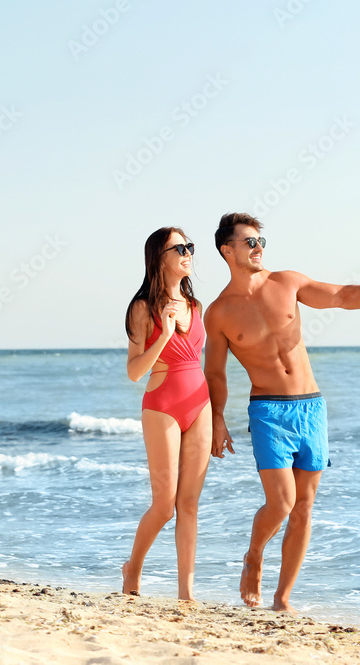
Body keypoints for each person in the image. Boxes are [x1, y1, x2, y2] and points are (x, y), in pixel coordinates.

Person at [203, 212, 360, 612]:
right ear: (226, 249)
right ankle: (253, 555)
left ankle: (282, 599)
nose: (259, 248)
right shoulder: (218, 313)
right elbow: (214, 373)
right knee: (281, 501)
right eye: (249, 242)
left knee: (303, 507)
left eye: (261, 241)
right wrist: (217, 419)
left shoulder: (286, 282)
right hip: (268, 411)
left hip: (310, 408)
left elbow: (341, 296)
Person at [123, 227, 212, 601]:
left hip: (200, 405)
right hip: (162, 407)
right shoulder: (143, 308)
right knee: (164, 505)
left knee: (189, 503)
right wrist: (163, 332)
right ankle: (133, 568)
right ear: (160, 258)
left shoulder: (197, 307)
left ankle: (186, 594)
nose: (189, 253)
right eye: (181, 248)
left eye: (190, 247)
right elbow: (133, 371)